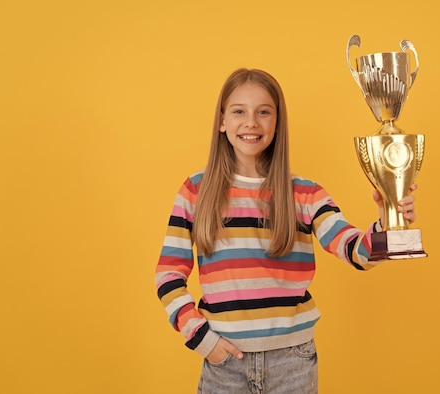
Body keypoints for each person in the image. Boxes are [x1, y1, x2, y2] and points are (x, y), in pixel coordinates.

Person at [155, 68, 418, 393]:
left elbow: (354, 251)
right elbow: (168, 275)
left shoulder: (305, 194)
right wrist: (201, 338)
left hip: (292, 363)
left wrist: (387, 220)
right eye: (239, 111)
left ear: (277, 123)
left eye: (263, 112)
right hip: (224, 364)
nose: (251, 122)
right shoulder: (195, 191)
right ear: (222, 121)